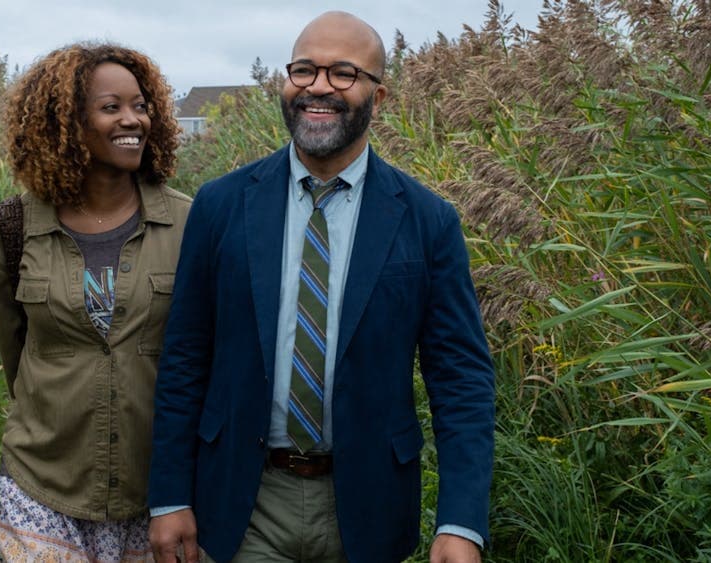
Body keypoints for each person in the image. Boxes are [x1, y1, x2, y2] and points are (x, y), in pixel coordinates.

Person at [147, 11, 495, 563]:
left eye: (343, 74)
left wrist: (461, 521)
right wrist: (167, 496)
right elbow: (185, 355)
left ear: (378, 98)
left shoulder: (428, 221)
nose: (318, 88)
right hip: (245, 498)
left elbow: (461, 380)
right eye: (304, 70)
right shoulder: (221, 205)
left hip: (367, 505)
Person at [0, 42, 190, 562]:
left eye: (141, 105)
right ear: (66, 122)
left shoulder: (192, 225)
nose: (133, 119)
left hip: (156, 494)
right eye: (110, 107)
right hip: (42, 481)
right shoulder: (14, 227)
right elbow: (18, 354)